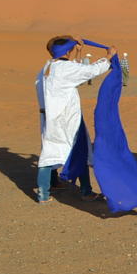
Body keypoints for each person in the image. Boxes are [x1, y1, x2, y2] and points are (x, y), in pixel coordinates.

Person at [35, 35, 115, 203]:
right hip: (67, 118)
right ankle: (86, 191)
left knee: (50, 152)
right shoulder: (65, 69)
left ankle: (44, 193)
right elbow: (90, 71)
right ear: (67, 51)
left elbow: (73, 74)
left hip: (50, 118)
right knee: (80, 151)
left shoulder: (47, 67)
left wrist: (78, 53)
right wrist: (109, 56)